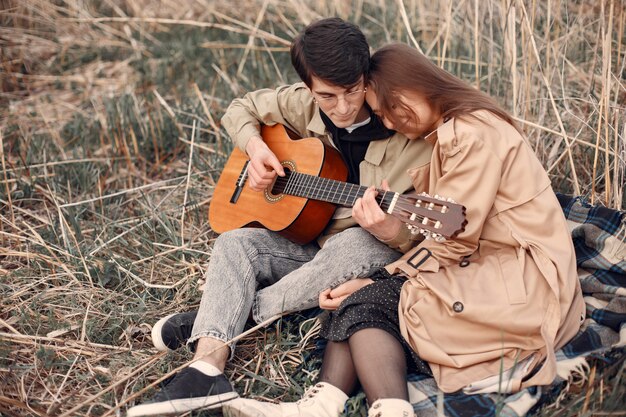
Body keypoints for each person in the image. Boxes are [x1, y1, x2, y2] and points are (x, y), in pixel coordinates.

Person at [222, 43, 586, 417]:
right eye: (382, 115)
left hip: (519, 279)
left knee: (369, 299)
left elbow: (453, 239)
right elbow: (452, 234)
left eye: (393, 108)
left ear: (421, 83)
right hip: (485, 264)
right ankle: (324, 405)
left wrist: (386, 272)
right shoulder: (451, 132)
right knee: (363, 301)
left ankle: (380, 408)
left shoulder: (469, 136)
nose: (392, 123)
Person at [126, 21, 434, 417]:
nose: (343, 107)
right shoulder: (301, 103)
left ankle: (225, 317)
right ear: (308, 89)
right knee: (235, 243)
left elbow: (431, 239)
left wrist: (392, 229)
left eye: (352, 90)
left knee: (357, 241)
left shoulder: (408, 133)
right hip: (306, 239)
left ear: (366, 76)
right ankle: (206, 371)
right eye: (327, 96)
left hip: (357, 249)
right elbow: (241, 108)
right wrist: (256, 150)